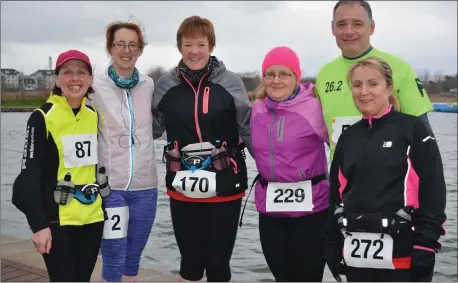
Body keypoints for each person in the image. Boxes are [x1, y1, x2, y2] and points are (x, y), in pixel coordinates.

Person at [324, 57, 447, 282]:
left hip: (404, 254)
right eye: (357, 85)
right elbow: (335, 194)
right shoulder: (348, 136)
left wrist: (427, 244)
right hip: (356, 254)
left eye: (373, 84)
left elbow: (433, 189)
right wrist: (332, 243)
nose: (363, 92)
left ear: (389, 87)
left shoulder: (413, 128)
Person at [151, 15, 252, 282]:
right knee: (190, 263)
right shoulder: (165, 85)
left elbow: (248, 128)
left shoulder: (230, 82)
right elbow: (150, 129)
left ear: (211, 46)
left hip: (226, 183)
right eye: (188, 45)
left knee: (219, 265)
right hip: (182, 185)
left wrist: (269, 167)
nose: (194, 51)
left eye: (200, 44)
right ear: (179, 47)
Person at [12, 50, 106, 281]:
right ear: (57, 79)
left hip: (92, 216)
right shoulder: (41, 117)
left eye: (82, 72)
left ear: (91, 79)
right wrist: (38, 225)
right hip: (57, 220)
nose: (75, 78)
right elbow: (28, 176)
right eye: (68, 72)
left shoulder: (93, 115)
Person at [315, 0, 435, 160]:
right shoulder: (324, 74)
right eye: (341, 24)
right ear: (332, 28)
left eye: (357, 24)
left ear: (371, 27)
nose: (348, 31)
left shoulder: (399, 68)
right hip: (342, 179)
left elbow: (424, 138)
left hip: (390, 179)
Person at [250, 46, 330, 282]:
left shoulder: (314, 108)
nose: (276, 80)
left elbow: (342, 147)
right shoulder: (256, 110)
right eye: (270, 74)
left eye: (284, 74)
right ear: (263, 78)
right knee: (281, 277)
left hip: (312, 212)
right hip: (271, 210)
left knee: (308, 278)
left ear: (297, 77)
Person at [91, 21, 158, 282]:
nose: (126, 50)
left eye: (133, 44)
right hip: (110, 187)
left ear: (140, 49)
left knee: (133, 256)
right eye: (120, 44)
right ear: (110, 48)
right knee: (113, 254)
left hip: (145, 188)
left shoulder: (149, 84)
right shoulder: (94, 87)